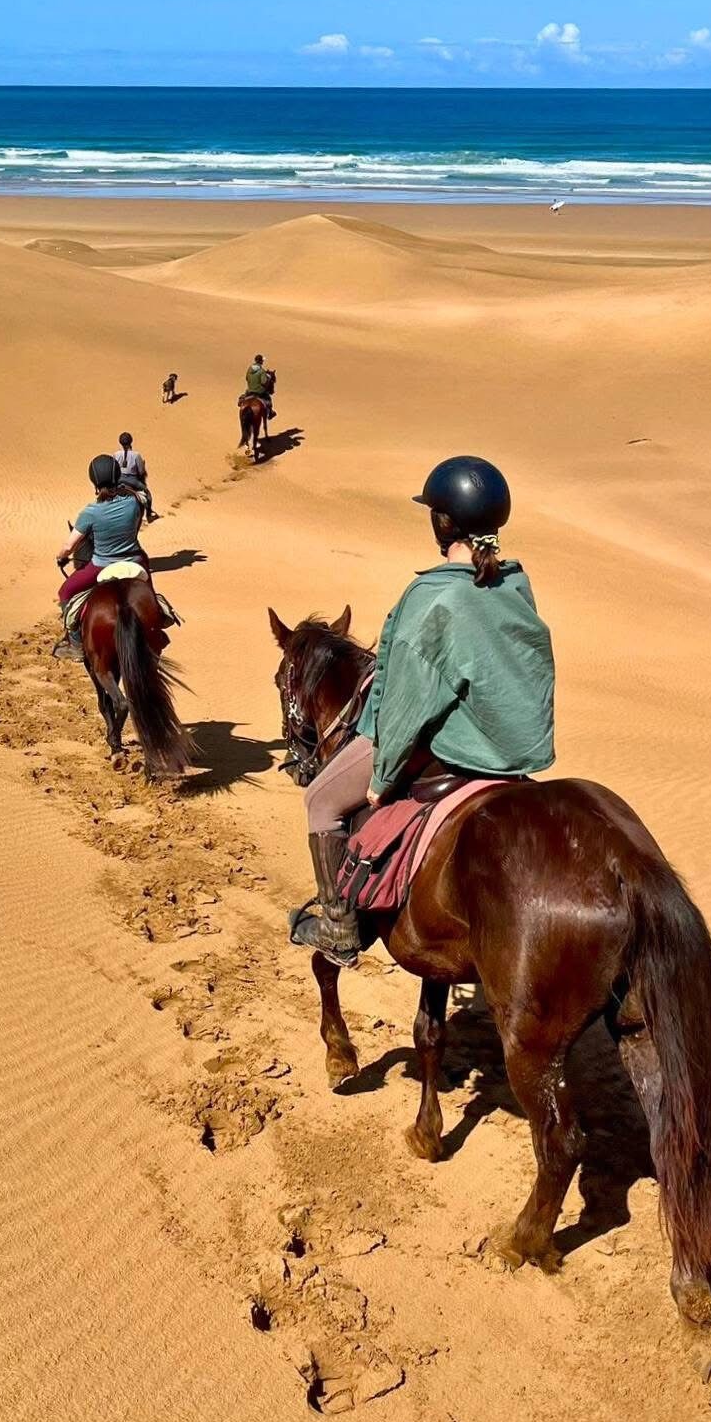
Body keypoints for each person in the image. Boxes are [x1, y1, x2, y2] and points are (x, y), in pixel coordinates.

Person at [291, 455, 555, 965]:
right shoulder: (515, 584)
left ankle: (338, 929)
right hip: (510, 753)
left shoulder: (433, 596)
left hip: (453, 747)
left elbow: (408, 703)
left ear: (442, 522)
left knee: (321, 801)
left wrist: (383, 774)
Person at [52, 454, 149, 660]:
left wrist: (60, 557)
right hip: (134, 559)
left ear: (94, 482)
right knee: (147, 584)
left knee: (65, 591)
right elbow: (138, 501)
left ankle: (76, 644)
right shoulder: (132, 504)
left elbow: (69, 546)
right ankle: (161, 611)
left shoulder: (90, 513)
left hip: (101, 565)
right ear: (116, 477)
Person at [115, 431, 156, 523]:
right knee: (147, 493)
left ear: (120, 442)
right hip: (132, 480)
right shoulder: (136, 455)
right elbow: (141, 472)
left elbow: (114, 468)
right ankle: (149, 514)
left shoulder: (116, 454)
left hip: (118, 480)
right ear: (131, 441)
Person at [244, 353, 275, 420]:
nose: (263, 362)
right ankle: (270, 413)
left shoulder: (249, 369)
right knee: (268, 399)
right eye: (262, 361)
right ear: (260, 361)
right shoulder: (261, 371)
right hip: (259, 391)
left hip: (250, 390)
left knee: (243, 397)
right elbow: (263, 382)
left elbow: (246, 378)